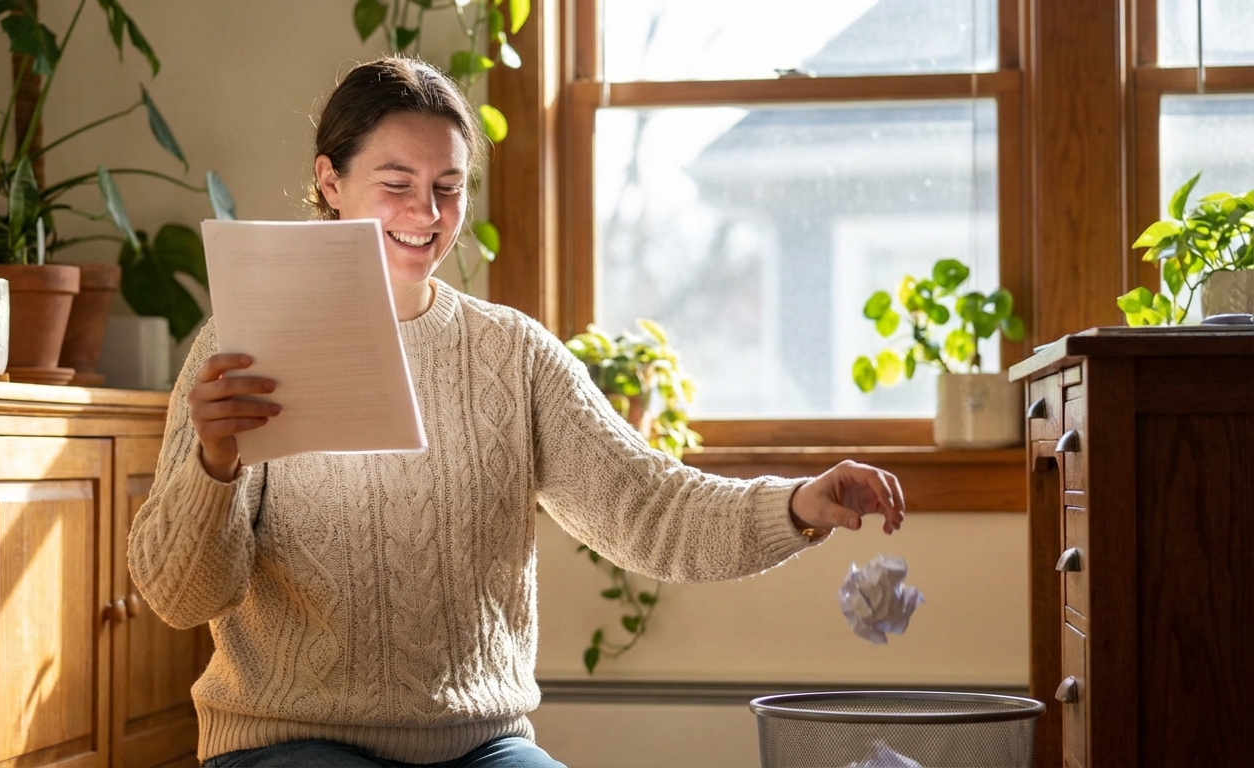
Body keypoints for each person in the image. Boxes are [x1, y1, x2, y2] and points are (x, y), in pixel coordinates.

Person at [128, 56, 905, 768]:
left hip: (479, 746)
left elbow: (650, 508)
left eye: (449, 185)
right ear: (330, 180)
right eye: (396, 182)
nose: (426, 212)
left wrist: (800, 504)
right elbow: (181, 597)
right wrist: (215, 463)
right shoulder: (241, 347)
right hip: (288, 738)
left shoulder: (513, 355)